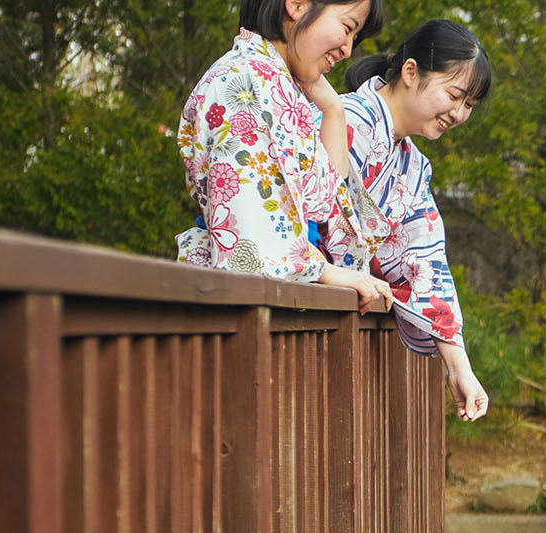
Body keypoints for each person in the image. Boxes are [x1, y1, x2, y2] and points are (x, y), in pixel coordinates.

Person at [176, 0, 392, 312]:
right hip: (240, 313)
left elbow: (328, 209)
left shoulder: (273, 81)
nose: (347, 50)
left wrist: (334, 109)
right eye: (347, 28)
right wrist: (326, 271)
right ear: (297, 4)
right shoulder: (244, 82)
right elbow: (251, 237)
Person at [326, 20, 491, 422]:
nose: (458, 113)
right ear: (411, 71)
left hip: (338, 323)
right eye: (454, 95)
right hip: (300, 301)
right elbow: (304, 215)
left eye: (469, 105)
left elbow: (424, 260)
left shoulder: (413, 167)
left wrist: (460, 366)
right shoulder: (343, 119)